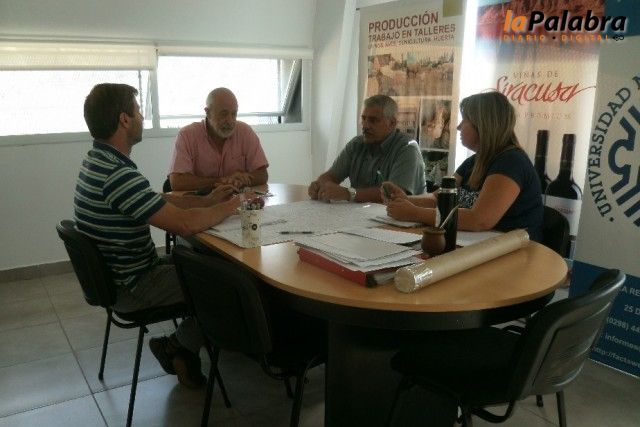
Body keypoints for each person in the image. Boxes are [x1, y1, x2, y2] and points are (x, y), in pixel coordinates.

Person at [76, 83, 241, 388]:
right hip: (136, 286)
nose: (142, 117)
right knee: (230, 285)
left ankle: (183, 347)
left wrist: (207, 201)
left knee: (209, 264)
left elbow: (156, 201)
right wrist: (233, 205)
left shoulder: (97, 162)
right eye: (138, 111)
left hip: (121, 278)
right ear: (124, 119)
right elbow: (184, 225)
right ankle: (178, 346)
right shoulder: (118, 175)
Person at [384, 91, 543, 241]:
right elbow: (438, 198)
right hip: (481, 245)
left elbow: (479, 220)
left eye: (464, 120)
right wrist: (406, 199)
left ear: (483, 125)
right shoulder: (474, 161)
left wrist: (415, 213)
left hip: (516, 252)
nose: (458, 127)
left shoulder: (511, 162)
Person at [308, 94, 425, 203]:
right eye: (363, 119)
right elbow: (332, 176)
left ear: (392, 123)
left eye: (373, 120)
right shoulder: (356, 144)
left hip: (401, 216)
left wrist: (348, 194)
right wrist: (319, 185)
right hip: (361, 214)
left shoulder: (407, 148)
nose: (365, 125)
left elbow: (394, 195)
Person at [168, 87, 269, 191]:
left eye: (234, 114)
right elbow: (177, 182)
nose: (230, 121)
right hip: (202, 200)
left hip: (237, 199)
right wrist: (222, 181)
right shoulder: (187, 135)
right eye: (224, 114)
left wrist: (242, 179)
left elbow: (263, 175)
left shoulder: (245, 132)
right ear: (208, 113)